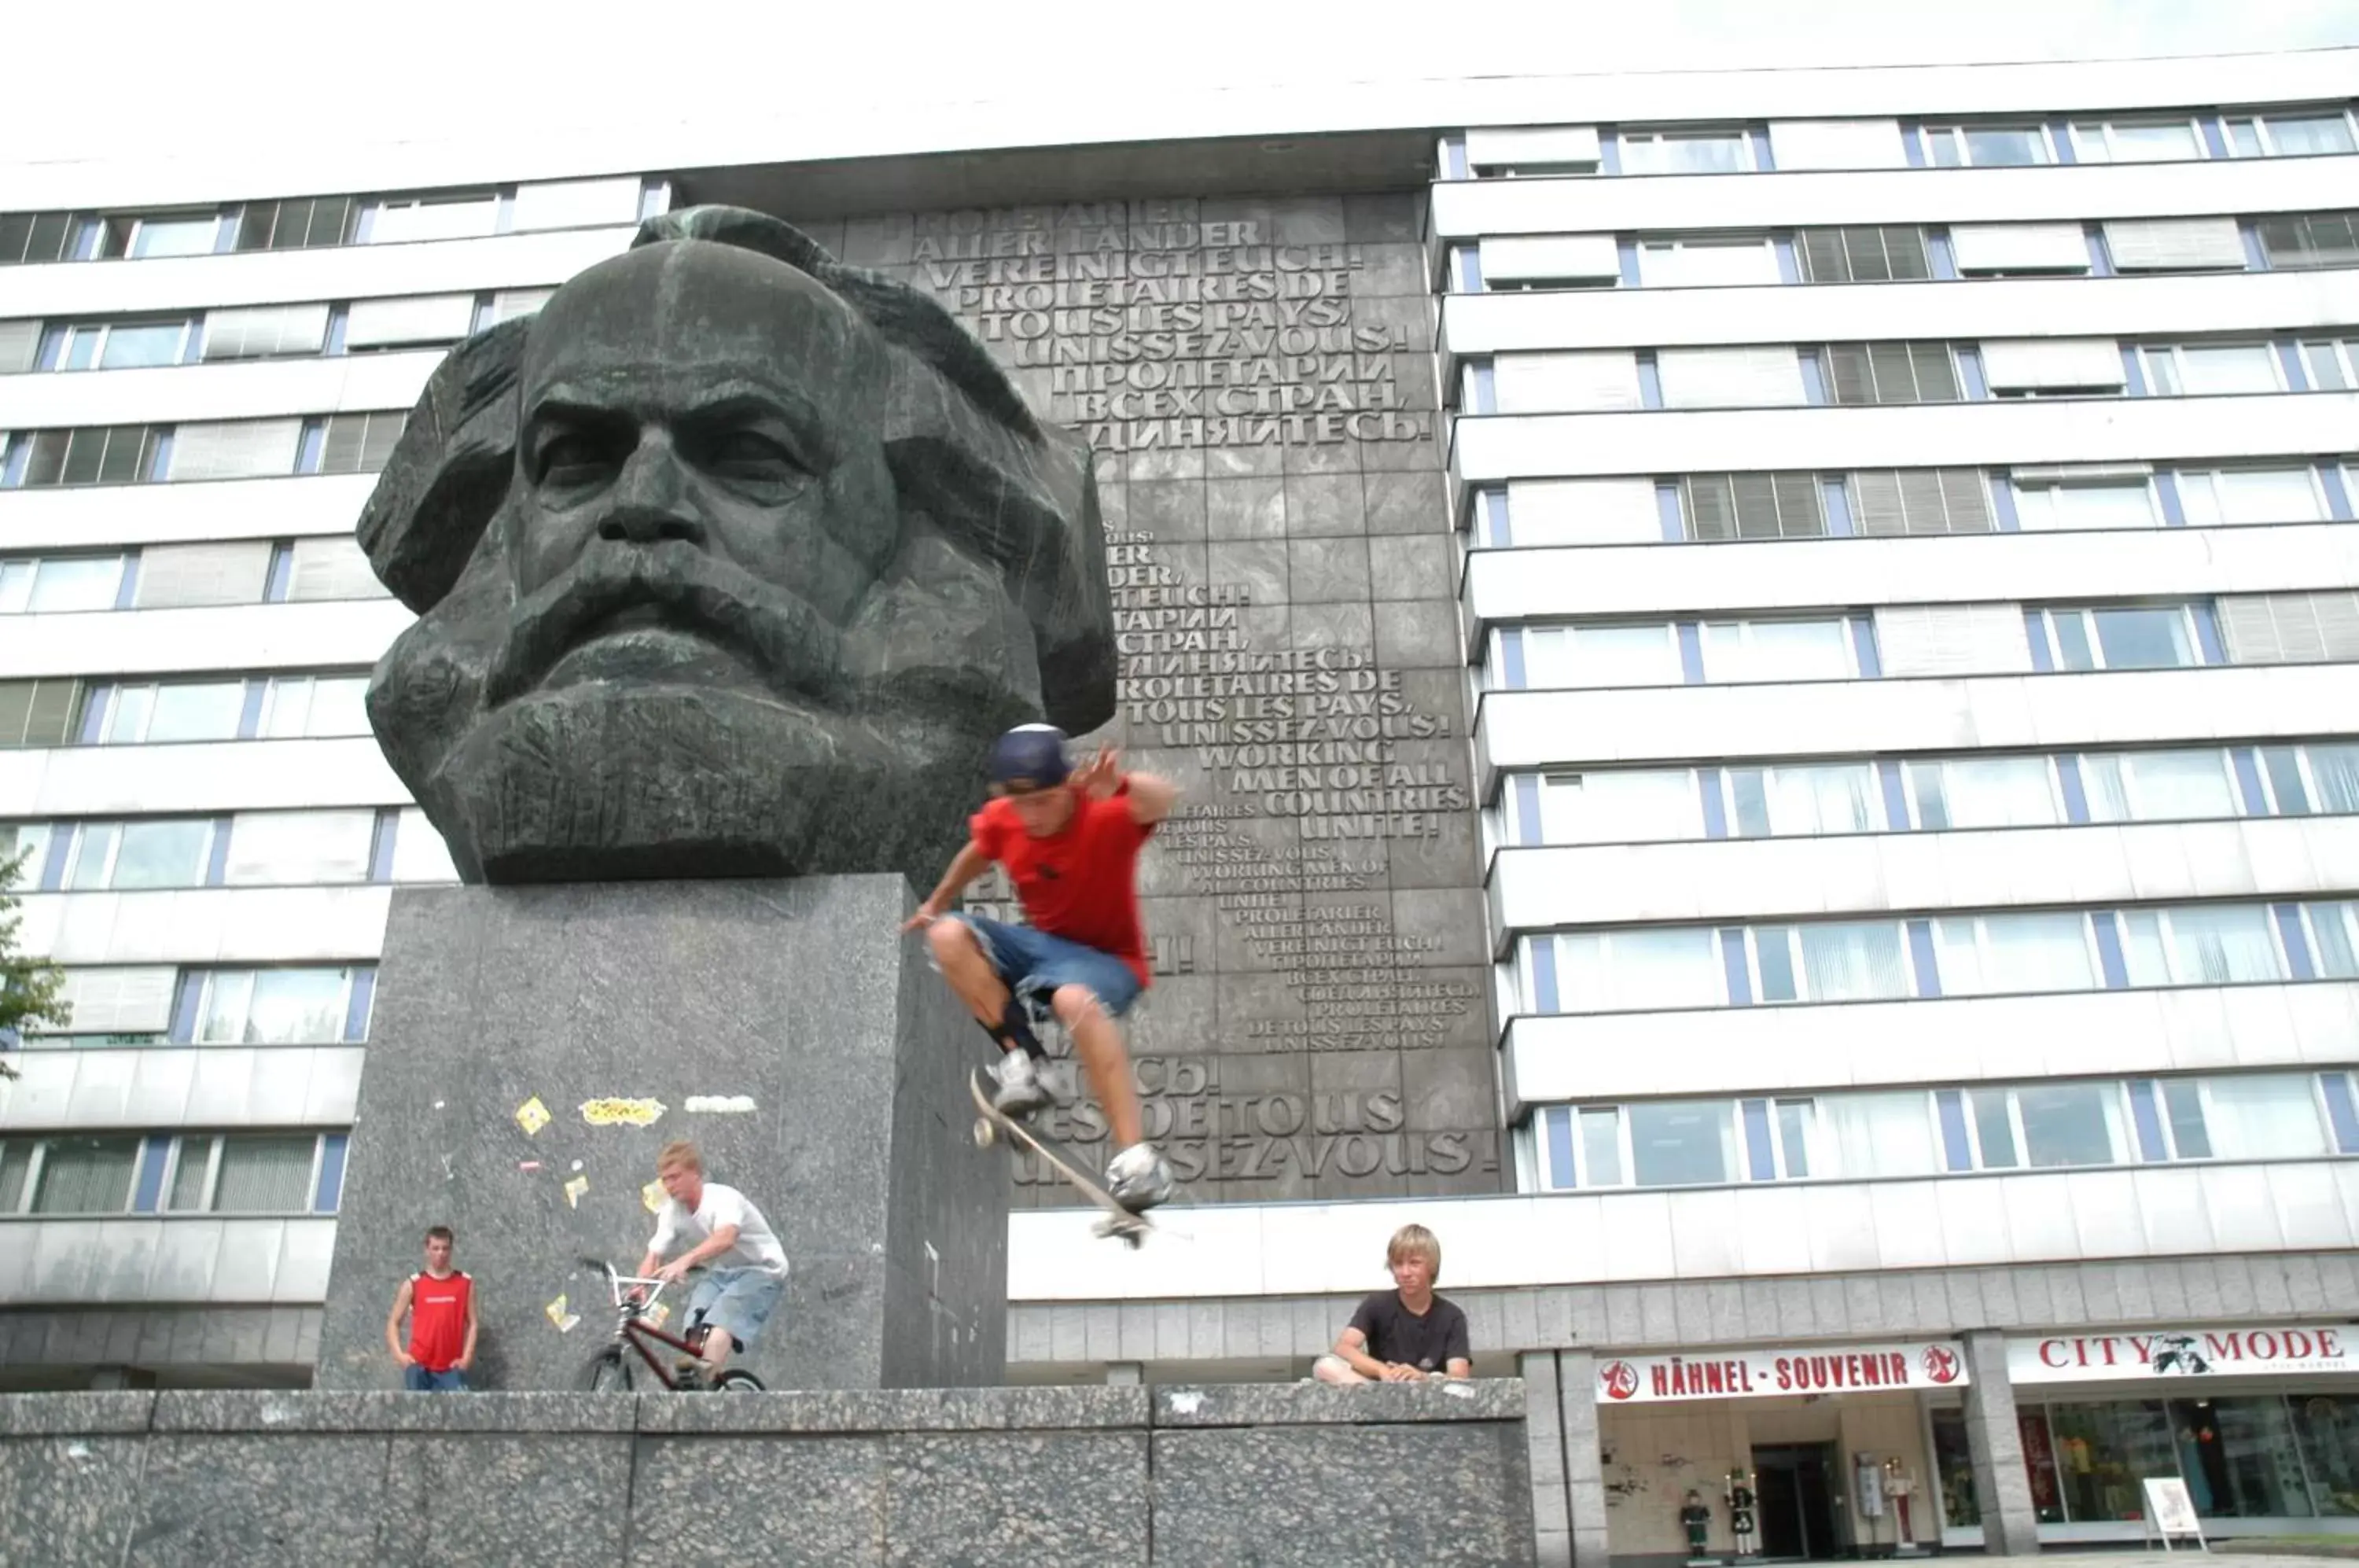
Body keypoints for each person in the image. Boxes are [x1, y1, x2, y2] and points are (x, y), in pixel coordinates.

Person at [901, 725, 1178, 1213]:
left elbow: (1164, 801)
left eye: (1045, 802)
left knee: (1073, 998)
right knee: (945, 934)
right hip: (1044, 950)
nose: (1032, 817)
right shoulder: (1004, 818)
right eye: (1021, 804)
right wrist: (937, 901)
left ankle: (1137, 1160)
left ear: (1067, 787)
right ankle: (1027, 1066)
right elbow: (977, 852)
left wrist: (1124, 786)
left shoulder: (1103, 814)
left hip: (1111, 963)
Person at [635, 1140, 789, 1382]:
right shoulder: (672, 1211)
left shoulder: (723, 1199)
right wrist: (638, 1288)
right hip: (725, 1270)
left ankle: (706, 1384)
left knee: (722, 1320)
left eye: (675, 1177)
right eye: (664, 1179)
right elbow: (654, 1254)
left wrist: (685, 1260)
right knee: (695, 1319)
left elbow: (726, 1238)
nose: (669, 1186)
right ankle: (695, 1374)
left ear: (695, 1174)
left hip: (763, 1269)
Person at [1312, 1224, 1472, 1383]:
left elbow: (1459, 1374)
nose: (1405, 1273)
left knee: (1453, 1385)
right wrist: (1382, 1370)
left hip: (1428, 1392)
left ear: (1431, 1266)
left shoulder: (1452, 1316)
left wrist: (1422, 1377)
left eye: (1414, 1263)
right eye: (1398, 1264)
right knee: (1325, 1366)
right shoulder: (1377, 1304)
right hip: (1383, 1388)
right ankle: (1379, 1402)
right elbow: (1343, 1347)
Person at [385, 1225, 477, 1391]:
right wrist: (400, 1355)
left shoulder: (465, 1283)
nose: (440, 1253)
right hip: (419, 1367)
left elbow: (473, 1323)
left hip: (451, 1368)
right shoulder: (413, 1284)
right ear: (427, 1250)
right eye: (435, 1248)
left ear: (451, 1250)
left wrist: (466, 1358)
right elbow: (394, 1322)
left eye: (445, 1248)